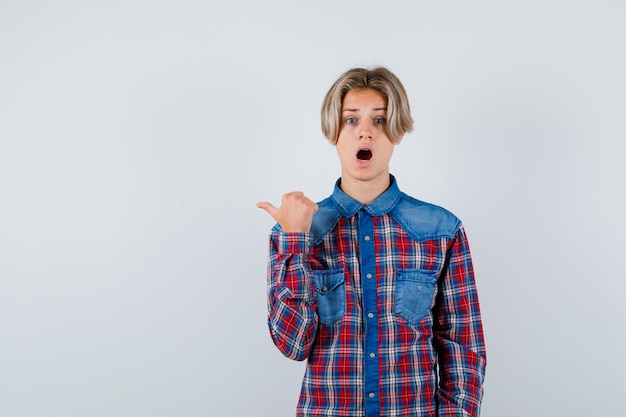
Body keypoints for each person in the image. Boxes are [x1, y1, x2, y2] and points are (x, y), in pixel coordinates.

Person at [257, 67, 486, 417]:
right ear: (334, 132)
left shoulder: (442, 230)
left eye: (379, 121)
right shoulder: (295, 231)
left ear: (396, 133)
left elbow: (462, 346)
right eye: (351, 121)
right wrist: (294, 241)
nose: (365, 131)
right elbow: (293, 343)